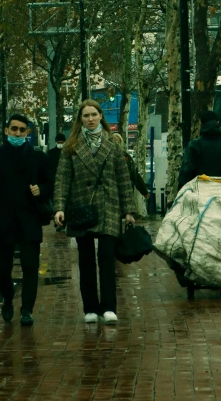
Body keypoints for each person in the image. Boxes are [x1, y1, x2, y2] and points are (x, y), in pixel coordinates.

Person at [53, 99, 136, 325]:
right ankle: (90, 307)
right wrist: (59, 207)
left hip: (109, 206)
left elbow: (124, 179)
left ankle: (109, 307)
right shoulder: (71, 147)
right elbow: (62, 179)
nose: (90, 119)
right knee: (86, 260)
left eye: (94, 114)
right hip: (81, 208)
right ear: (80, 120)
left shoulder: (113, 146)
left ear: (101, 116)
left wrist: (129, 210)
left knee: (107, 258)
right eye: (85, 116)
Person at [0, 113, 53, 326]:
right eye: (14, 129)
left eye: (22, 130)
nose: (18, 133)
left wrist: (41, 190)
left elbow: (51, 184)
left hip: (29, 219)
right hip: (3, 219)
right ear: (7, 130)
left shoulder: (37, 157)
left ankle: (27, 309)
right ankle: (7, 298)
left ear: (28, 132)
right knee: (2, 267)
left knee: (30, 266)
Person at [177, 110, 221, 189]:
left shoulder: (194, 146)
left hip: (201, 194)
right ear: (217, 123)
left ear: (201, 124)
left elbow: (186, 172)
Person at [112, 133, 150, 200]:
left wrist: (144, 191)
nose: (116, 144)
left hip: (126, 192)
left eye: (118, 142)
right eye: (114, 141)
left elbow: (135, 174)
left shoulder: (126, 157)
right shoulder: (107, 156)